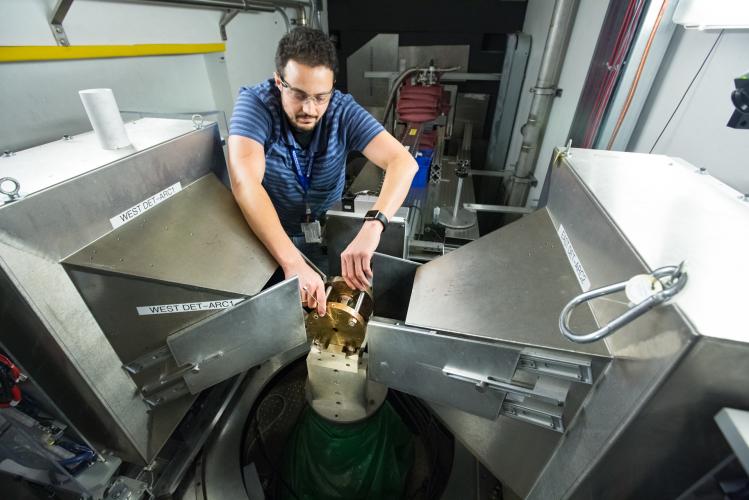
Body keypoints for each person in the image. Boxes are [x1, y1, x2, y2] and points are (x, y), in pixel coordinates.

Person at [227, 27, 417, 317]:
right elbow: (245, 183)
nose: (310, 109)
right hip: (269, 237)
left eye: (320, 97)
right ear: (279, 81)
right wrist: (291, 262)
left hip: (323, 232)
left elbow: (403, 163)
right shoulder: (256, 105)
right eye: (299, 94)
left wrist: (373, 227)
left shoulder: (341, 110)